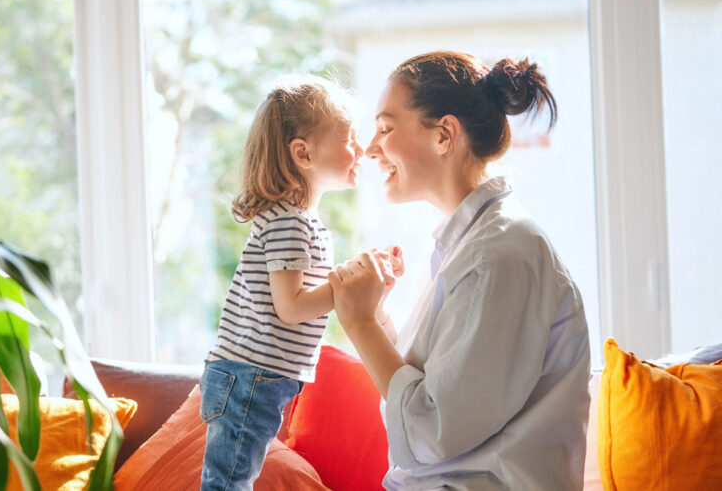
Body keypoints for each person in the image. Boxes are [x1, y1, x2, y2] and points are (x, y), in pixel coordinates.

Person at [327, 51, 591, 490]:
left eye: (386, 129)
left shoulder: (497, 255)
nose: (372, 149)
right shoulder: (471, 244)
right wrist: (375, 316)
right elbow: (443, 380)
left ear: (445, 135)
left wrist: (358, 323)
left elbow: (430, 431)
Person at [198, 75, 366, 490]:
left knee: (234, 479)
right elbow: (290, 307)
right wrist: (346, 286)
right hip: (250, 377)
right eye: (349, 140)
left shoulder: (295, 220)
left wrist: (348, 279)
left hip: (252, 377)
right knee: (228, 483)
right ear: (303, 153)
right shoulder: (290, 221)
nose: (361, 150)